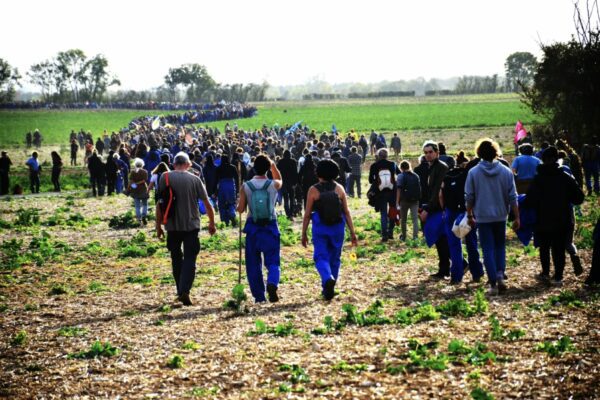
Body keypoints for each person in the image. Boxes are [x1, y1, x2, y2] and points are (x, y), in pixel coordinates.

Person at [156, 152, 216, 306]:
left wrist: (158, 227)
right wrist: (212, 223)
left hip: (172, 226)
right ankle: (185, 291)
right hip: (191, 226)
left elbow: (159, 204)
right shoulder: (195, 179)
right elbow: (207, 203)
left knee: (176, 258)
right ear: (189, 164)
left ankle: (180, 290)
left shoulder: (165, 177)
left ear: (173, 164)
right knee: (190, 258)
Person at [465, 138, 519, 295]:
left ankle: (493, 283)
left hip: (482, 216)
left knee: (487, 248)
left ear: (479, 153)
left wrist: (469, 214)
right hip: (501, 215)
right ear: (496, 152)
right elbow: (513, 196)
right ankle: (500, 274)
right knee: (500, 246)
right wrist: (517, 217)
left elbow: (469, 197)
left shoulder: (473, 172)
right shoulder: (506, 171)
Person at [524, 147, 585, 285]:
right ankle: (558, 277)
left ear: (543, 160)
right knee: (559, 249)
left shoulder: (538, 179)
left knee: (544, 248)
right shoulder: (565, 177)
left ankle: (545, 273)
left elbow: (529, 201)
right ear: (557, 159)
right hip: (562, 218)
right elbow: (579, 198)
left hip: (542, 219)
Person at [302, 159, 358, 300]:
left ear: (318, 172)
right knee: (335, 258)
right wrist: (352, 232)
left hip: (320, 227)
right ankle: (329, 287)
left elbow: (307, 214)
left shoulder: (313, 190)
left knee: (321, 257)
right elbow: (346, 211)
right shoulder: (339, 188)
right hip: (338, 227)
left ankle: (327, 279)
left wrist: (303, 233)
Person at [237, 155, 283, 303]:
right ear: (267, 168)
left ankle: (259, 296)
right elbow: (280, 180)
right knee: (273, 260)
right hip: (270, 225)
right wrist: (273, 167)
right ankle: (272, 283)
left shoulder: (246, 186)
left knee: (253, 264)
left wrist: (240, 199)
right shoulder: (273, 184)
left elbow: (241, 209)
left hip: (253, 227)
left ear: (254, 167)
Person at [440, 156, 484, 284]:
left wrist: (444, 209)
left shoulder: (448, 176)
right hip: (466, 212)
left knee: (454, 245)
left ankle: (456, 276)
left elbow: (440, 195)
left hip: (450, 212)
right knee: (471, 243)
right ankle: (477, 273)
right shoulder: (468, 176)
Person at [419, 141, 450, 278]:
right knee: (440, 240)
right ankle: (444, 269)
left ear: (437, 152)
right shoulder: (431, 167)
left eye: (430, 152)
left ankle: (451, 266)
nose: (428, 155)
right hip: (434, 207)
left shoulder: (441, 167)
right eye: (425, 153)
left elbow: (438, 190)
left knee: (442, 240)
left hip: (439, 208)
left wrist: (428, 209)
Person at [368, 148, 399, 242]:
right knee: (392, 211)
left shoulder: (374, 165)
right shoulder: (392, 164)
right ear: (387, 155)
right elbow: (400, 174)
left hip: (380, 193)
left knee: (383, 214)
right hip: (392, 191)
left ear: (378, 155)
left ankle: (384, 235)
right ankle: (390, 232)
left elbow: (370, 180)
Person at [395, 160, 420, 242]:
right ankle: (415, 237)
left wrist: (397, 202)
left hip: (404, 200)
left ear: (401, 168)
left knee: (403, 220)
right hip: (415, 200)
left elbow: (398, 189)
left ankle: (404, 236)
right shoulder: (416, 175)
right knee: (415, 219)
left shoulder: (400, 176)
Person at [215, 155, 239, 226]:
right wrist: (238, 189)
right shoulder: (233, 167)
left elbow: (215, 180)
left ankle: (225, 220)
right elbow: (237, 178)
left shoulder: (218, 168)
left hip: (222, 186)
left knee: (222, 204)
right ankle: (232, 214)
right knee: (231, 202)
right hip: (231, 185)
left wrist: (215, 191)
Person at [276, 150, 299, 220]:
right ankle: (291, 213)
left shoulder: (280, 162)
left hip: (283, 182)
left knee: (285, 198)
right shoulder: (293, 161)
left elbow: (278, 172)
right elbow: (295, 172)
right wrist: (296, 182)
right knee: (292, 198)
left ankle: (288, 213)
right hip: (291, 182)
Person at [129, 158, 149, 225]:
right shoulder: (145, 171)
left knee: (137, 206)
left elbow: (131, 181)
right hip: (143, 189)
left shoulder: (132, 172)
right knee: (145, 204)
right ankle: (144, 216)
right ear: (142, 164)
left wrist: (134, 184)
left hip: (135, 190)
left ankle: (139, 218)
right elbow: (145, 180)